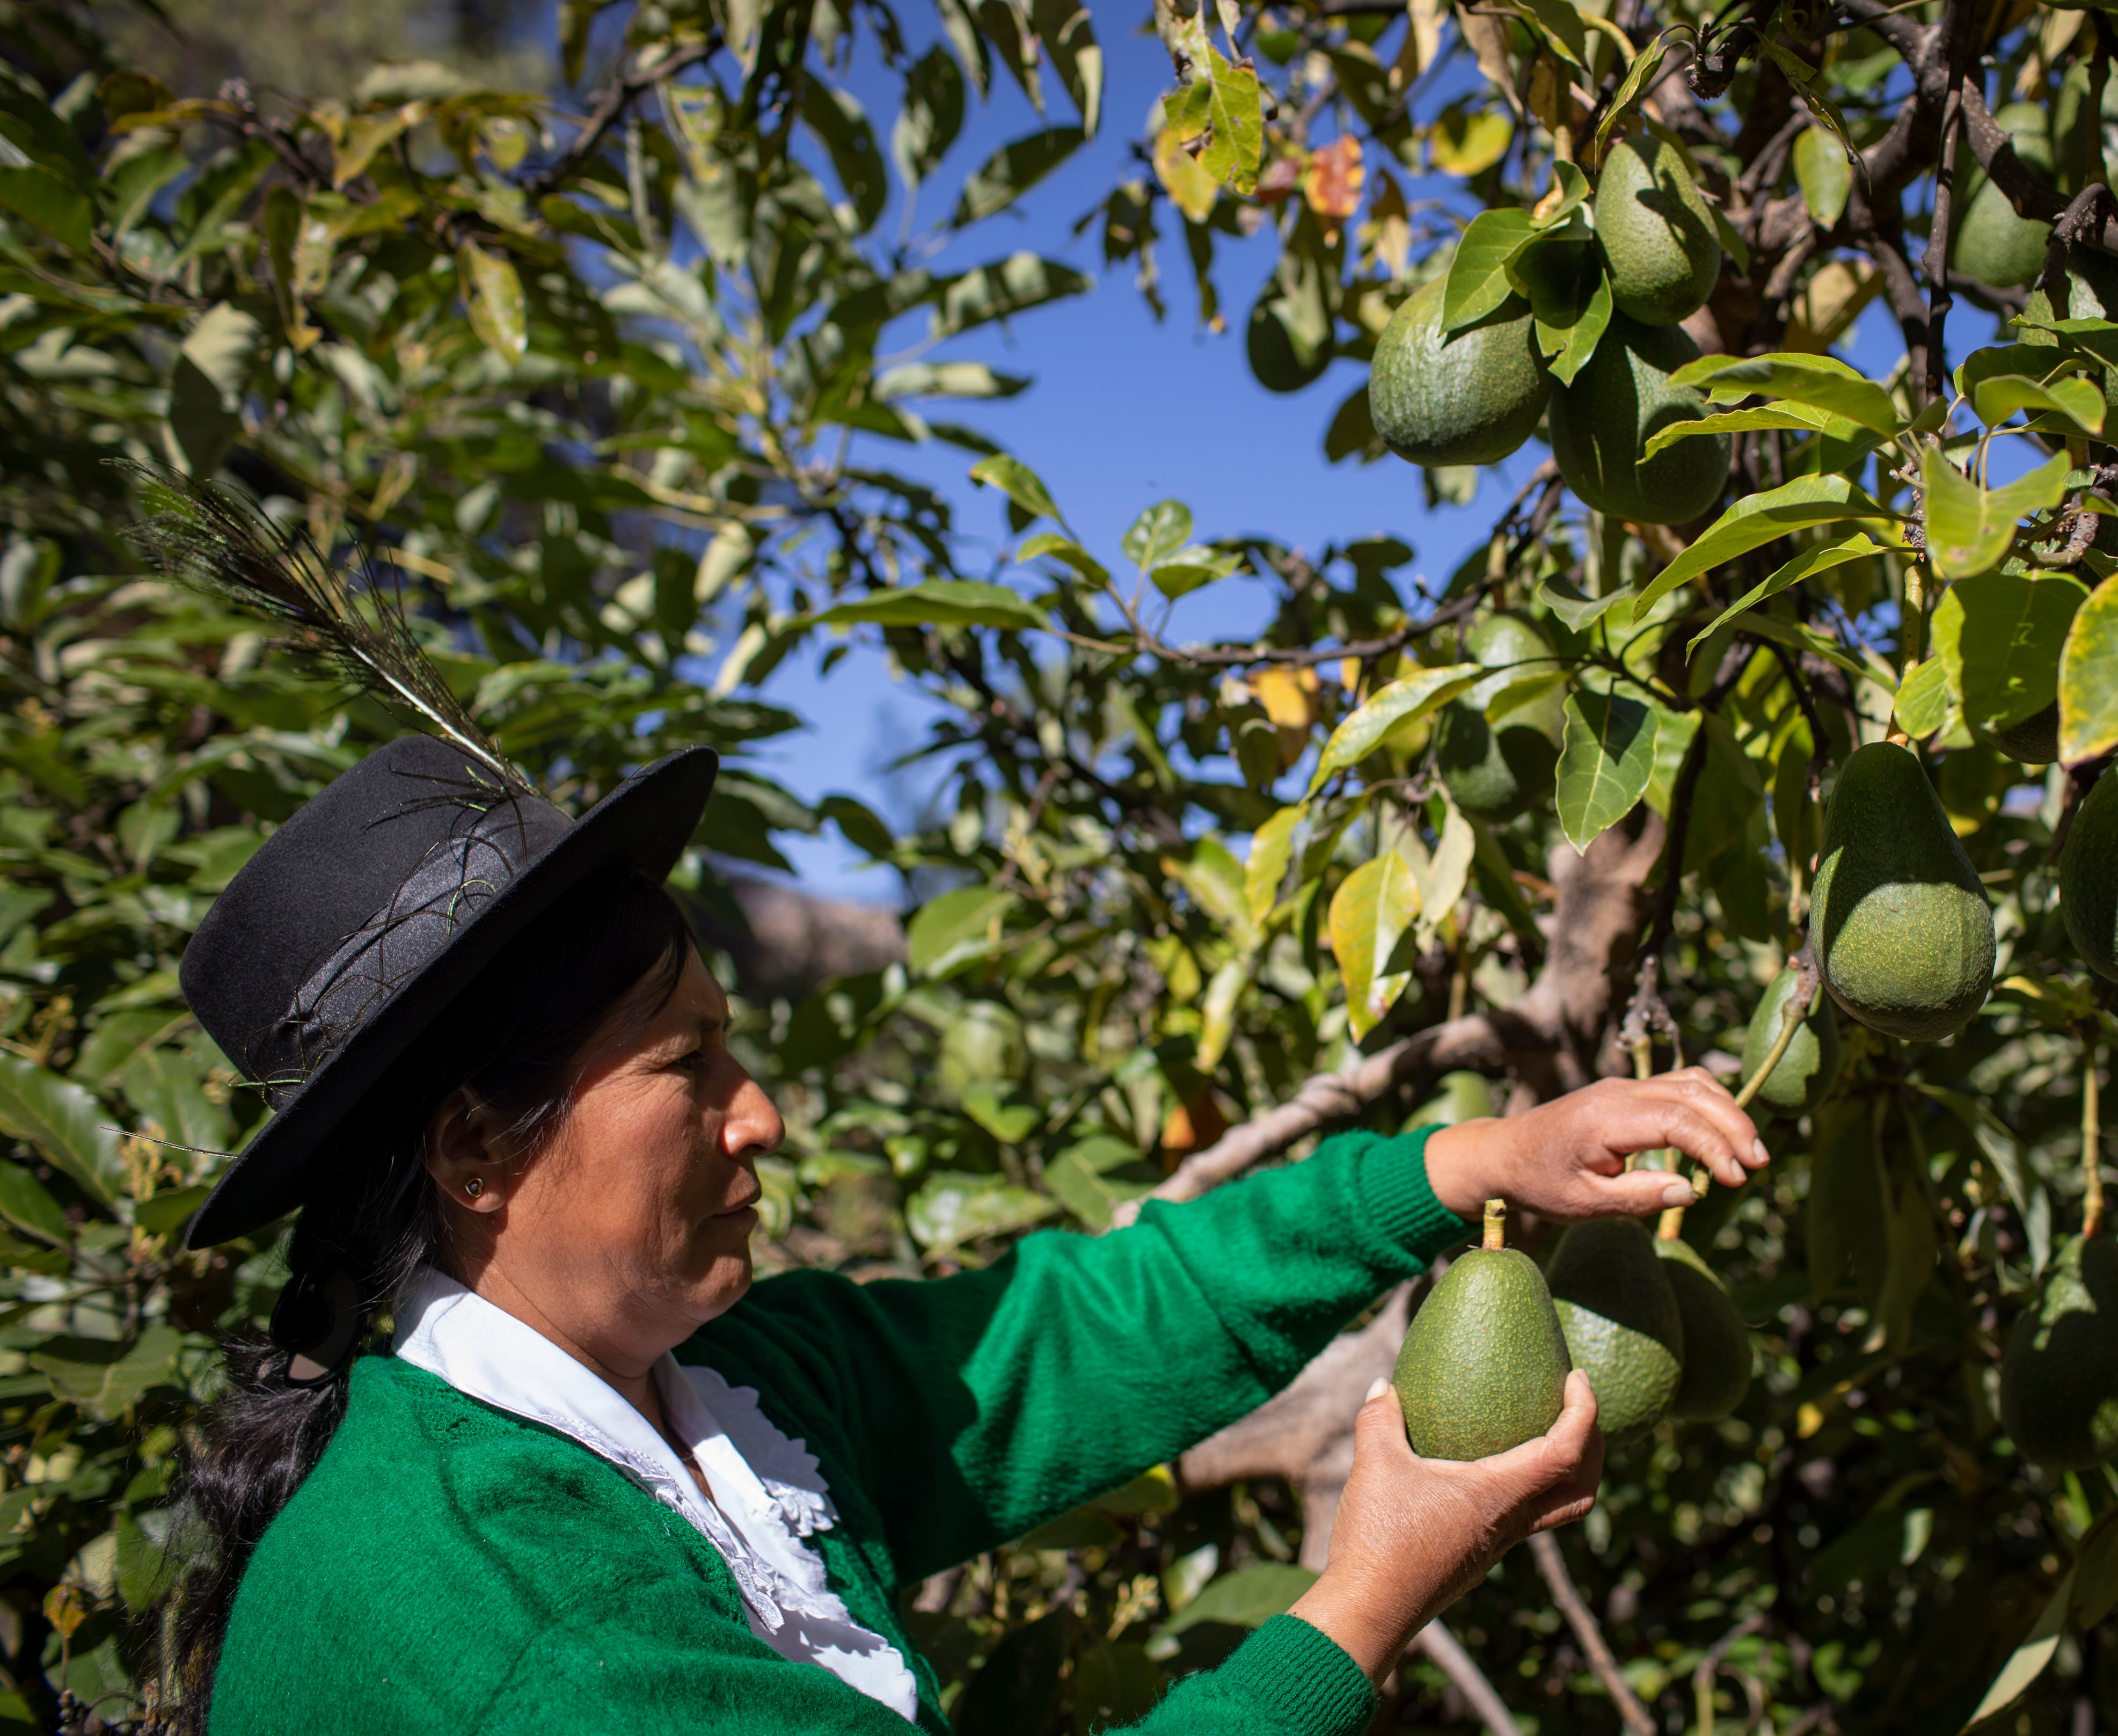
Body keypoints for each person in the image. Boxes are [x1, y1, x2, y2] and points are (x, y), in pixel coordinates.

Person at [162, 734, 1766, 1734]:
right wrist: (1362, 1608)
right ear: (469, 1149)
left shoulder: (718, 1389)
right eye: (684, 1065)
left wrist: (1471, 1158)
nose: (760, 1112)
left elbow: (1069, 1334)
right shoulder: (518, 1625)